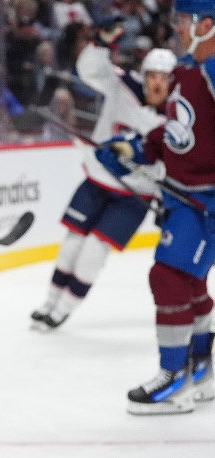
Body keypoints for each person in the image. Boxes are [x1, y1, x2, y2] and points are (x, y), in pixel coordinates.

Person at [95, 0, 215, 415]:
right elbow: (179, 133)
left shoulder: (213, 69)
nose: (178, 27)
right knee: (188, 280)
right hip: (186, 199)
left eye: (184, 20)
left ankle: (174, 377)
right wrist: (136, 148)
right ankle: (201, 363)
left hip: (206, 203)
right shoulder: (186, 72)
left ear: (207, 24)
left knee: (167, 277)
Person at [30, 19, 176, 331]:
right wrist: (98, 43)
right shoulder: (123, 85)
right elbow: (90, 71)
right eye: (152, 75)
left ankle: (62, 310)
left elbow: (176, 162)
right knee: (72, 244)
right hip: (97, 181)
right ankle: (49, 302)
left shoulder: (177, 117)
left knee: (93, 252)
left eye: (164, 78)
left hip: (135, 197)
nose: (156, 84)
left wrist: (168, 198)